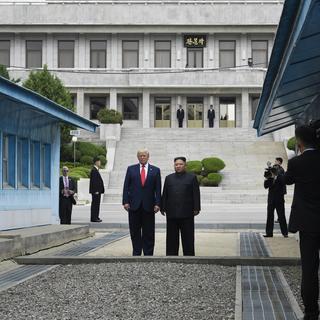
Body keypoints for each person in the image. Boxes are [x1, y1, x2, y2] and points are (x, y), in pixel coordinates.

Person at [283, 121, 320, 320]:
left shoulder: (297, 162)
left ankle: (312, 312)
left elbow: (288, 180)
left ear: (299, 143)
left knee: (310, 268)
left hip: (308, 222)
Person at [122, 149, 161, 256]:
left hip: (149, 206)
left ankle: (148, 254)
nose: (142, 157)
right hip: (134, 206)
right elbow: (126, 187)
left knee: (149, 232)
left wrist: (158, 203)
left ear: (148, 156)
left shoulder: (156, 170)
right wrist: (125, 201)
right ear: (137, 157)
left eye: (144, 155)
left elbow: (158, 189)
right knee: (134, 231)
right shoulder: (131, 169)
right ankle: (136, 252)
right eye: (140, 156)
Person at [161, 157, 201, 256]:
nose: (178, 166)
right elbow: (165, 193)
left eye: (180, 164)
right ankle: (171, 257)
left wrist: (196, 208)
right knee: (171, 238)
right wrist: (162, 207)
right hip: (172, 213)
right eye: (176, 164)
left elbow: (196, 193)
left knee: (188, 237)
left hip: (187, 213)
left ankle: (189, 257)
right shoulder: (169, 178)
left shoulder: (191, 177)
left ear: (185, 165)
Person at [263, 165, 288, 238]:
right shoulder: (270, 178)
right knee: (270, 216)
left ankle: (285, 233)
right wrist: (268, 178)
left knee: (281, 216)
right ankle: (269, 233)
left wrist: (276, 177)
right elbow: (265, 186)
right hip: (271, 200)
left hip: (279, 200)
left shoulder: (281, 177)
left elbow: (283, 183)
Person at [89, 157, 104, 223]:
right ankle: (94, 217)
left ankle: (96, 216)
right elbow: (94, 182)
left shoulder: (96, 170)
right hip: (96, 191)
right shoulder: (94, 170)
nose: (100, 163)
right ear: (96, 162)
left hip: (98, 191)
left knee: (97, 204)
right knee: (95, 204)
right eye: (99, 161)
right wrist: (96, 191)